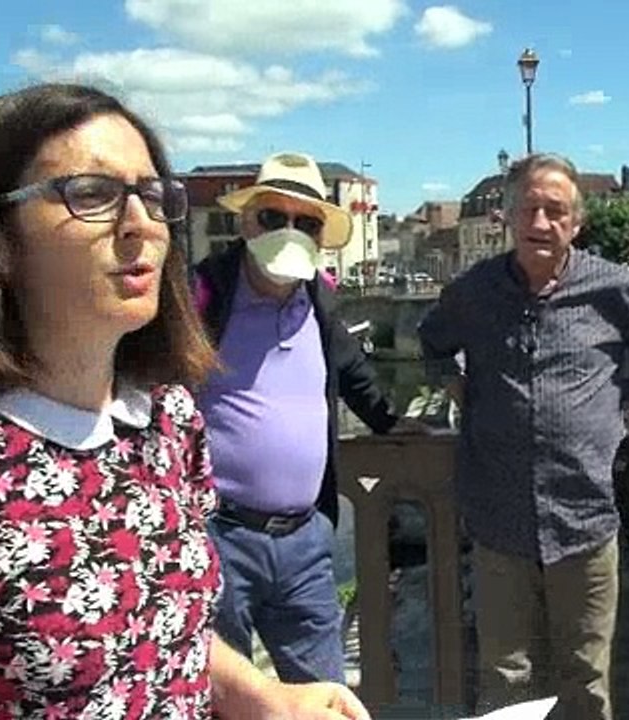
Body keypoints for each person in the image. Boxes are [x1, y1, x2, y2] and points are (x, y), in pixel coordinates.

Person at [0, 83, 368, 720]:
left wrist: (266, 700)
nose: (142, 225)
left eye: (153, 196)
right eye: (91, 194)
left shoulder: (166, 420)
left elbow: (160, 630)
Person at [418, 153, 629, 720]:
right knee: (504, 676)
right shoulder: (475, 291)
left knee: (585, 678)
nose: (541, 223)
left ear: (576, 222)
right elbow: (432, 340)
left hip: (585, 515)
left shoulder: (616, 289)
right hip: (499, 515)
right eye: (529, 209)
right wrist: (456, 387)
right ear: (509, 218)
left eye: (555, 211)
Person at [192, 151, 411, 684]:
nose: (290, 231)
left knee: (325, 695)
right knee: (224, 697)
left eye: (306, 222)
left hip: (305, 538)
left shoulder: (319, 296)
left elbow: (354, 372)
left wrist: (393, 423)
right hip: (219, 534)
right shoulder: (204, 293)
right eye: (273, 217)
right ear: (246, 222)